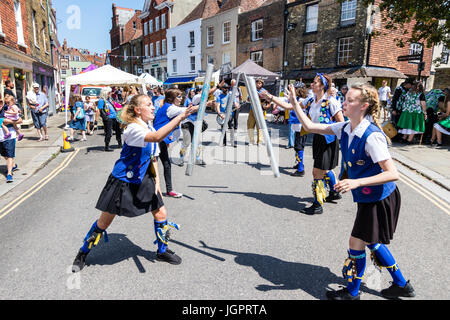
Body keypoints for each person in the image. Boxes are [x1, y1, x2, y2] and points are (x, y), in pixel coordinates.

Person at [289, 83, 415, 300]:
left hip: (380, 197)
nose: (344, 103)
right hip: (370, 196)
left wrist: (355, 183)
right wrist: (294, 104)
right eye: (344, 98)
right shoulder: (345, 127)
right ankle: (402, 284)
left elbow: (392, 173)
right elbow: (309, 126)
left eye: (350, 100)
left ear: (363, 106)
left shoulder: (372, 136)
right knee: (372, 242)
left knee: (356, 243)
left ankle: (353, 293)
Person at [71, 94, 195, 272]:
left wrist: (157, 184)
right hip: (123, 181)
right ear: (138, 110)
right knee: (104, 222)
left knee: (161, 214)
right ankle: (83, 252)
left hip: (144, 177)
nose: (153, 107)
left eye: (152, 104)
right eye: (149, 104)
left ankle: (162, 251)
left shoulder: (147, 125)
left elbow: (153, 158)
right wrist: (180, 117)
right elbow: (156, 137)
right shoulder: (133, 129)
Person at [294, 73, 344, 215]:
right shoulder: (311, 100)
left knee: (317, 172)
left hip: (328, 140)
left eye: (315, 82)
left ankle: (317, 205)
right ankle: (334, 192)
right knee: (324, 169)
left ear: (322, 86)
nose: (312, 84)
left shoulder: (331, 101)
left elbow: (341, 124)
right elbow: (292, 106)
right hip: (318, 138)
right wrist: (271, 98)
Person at [261, 85, 309, 177]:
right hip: (298, 126)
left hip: (301, 127)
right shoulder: (297, 99)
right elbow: (283, 100)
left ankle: (300, 169)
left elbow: (288, 104)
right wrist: (270, 97)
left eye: (293, 90)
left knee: (299, 147)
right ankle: (298, 164)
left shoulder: (301, 101)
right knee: (298, 147)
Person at [153, 88, 189, 198]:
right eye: (178, 96)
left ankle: (169, 190)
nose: (181, 98)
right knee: (152, 167)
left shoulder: (171, 107)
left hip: (162, 140)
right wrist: (206, 103)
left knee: (167, 164)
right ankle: (152, 190)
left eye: (181, 96)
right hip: (155, 141)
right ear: (172, 98)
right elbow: (188, 110)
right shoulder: (170, 108)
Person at [0, 93, 21, 183]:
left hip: (9, 135)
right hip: (1, 137)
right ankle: (13, 165)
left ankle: (9, 174)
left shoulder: (7, 107)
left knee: (9, 155)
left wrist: (8, 121)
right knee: (4, 154)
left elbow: (20, 120)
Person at [98, 87, 122, 151]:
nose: (110, 93)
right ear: (105, 93)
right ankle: (107, 146)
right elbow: (101, 110)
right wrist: (106, 118)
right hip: (108, 118)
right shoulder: (101, 100)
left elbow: (115, 107)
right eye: (109, 92)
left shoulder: (110, 99)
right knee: (108, 132)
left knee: (118, 131)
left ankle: (120, 144)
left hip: (114, 117)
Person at [248, 78, 270, 145]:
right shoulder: (252, 90)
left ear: (262, 84)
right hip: (252, 110)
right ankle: (251, 141)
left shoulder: (265, 91)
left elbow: (269, 102)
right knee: (250, 126)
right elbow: (248, 99)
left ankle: (260, 141)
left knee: (260, 126)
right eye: (257, 83)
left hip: (261, 111)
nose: (258, 84)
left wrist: (266, 106)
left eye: (259, 83)